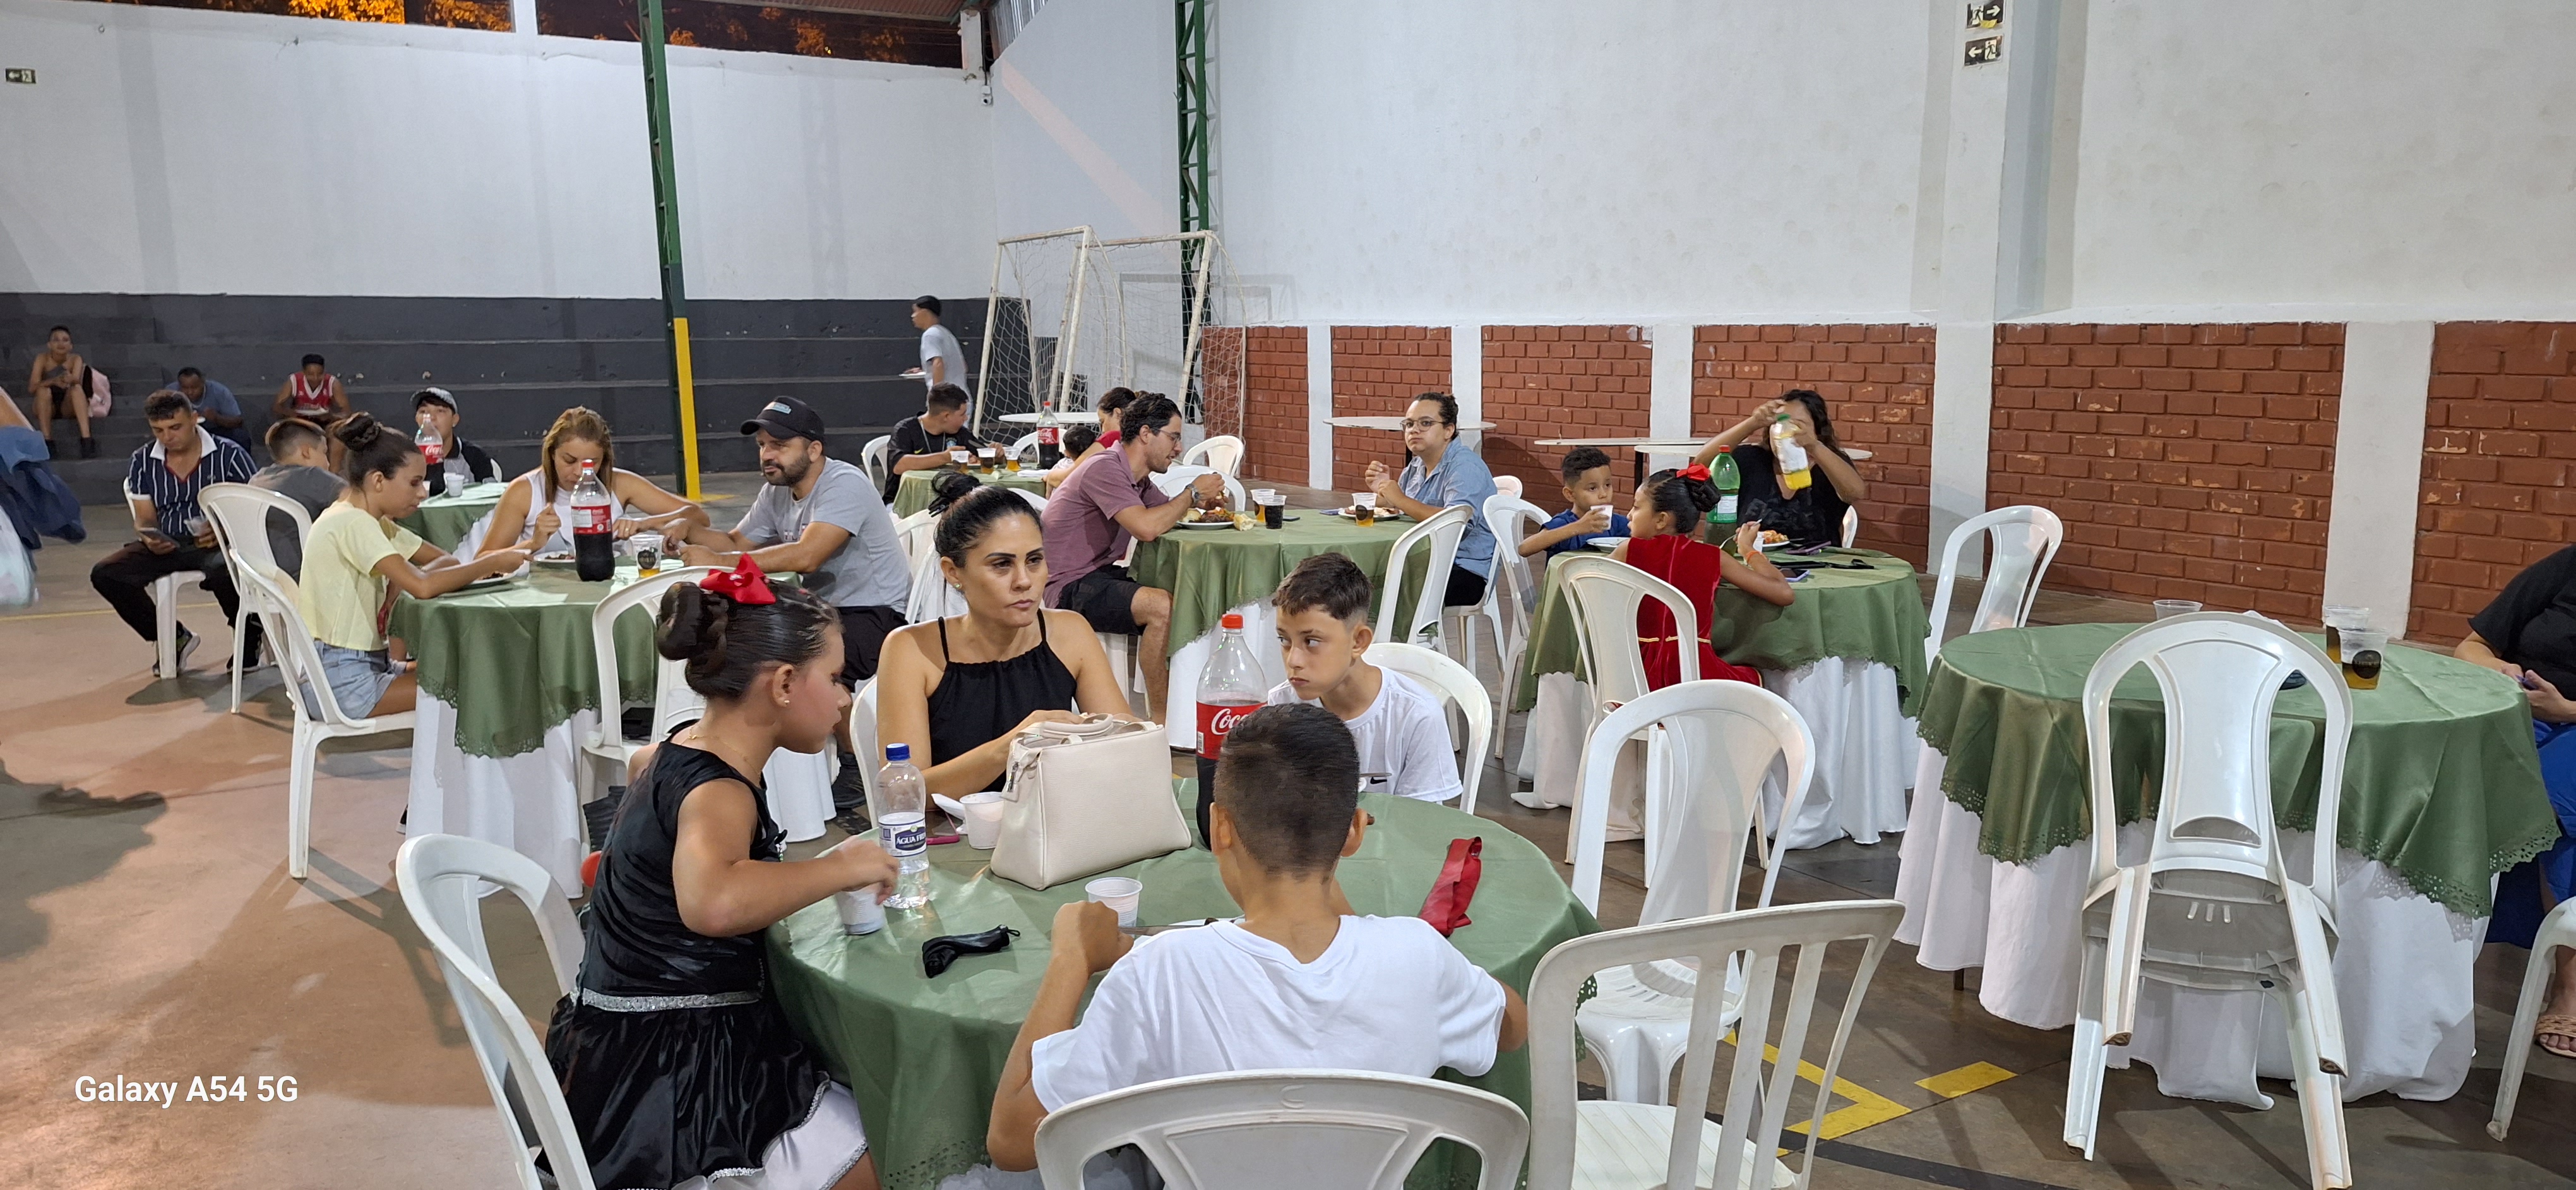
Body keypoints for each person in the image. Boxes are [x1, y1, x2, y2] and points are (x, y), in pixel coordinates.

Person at [984, 704, 1530, 1173]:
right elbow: (1512, 1027)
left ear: (1220, 828)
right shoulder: (1418, 953)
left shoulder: (1159, 972)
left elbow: (1012, 1142)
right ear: (1354, 833)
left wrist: (1071, 958)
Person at [544, 565, 891, 1190]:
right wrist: (837, 868)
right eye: (836, 678)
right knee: (893, 1150)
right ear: (783, 683)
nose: (845, 699)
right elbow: (714, 904)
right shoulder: (719, 791)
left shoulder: (673, 747)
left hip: (612, 1042)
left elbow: (645, 792)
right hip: (677, 1069)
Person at [679, 397, 913, 824]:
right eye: (763, 445)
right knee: (754, 648)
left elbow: (808, 555)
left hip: (876, 611)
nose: (768, 455)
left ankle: (854, 764)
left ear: (814, 449)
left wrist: (719, 561)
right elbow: (735, 543)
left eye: (780, 445)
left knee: (808, 661)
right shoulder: (776, 491)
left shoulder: (844, 484)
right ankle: (770, 769)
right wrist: (688, 530)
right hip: (824, 609)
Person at [874, 486, 1133, 796]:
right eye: (1002, 564)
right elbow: (902, 791)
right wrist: (1014, 745)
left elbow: (1127, 746)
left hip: (1055, 817)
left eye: (1034, 560)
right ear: (953, 572)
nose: (1024, 581)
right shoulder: (912, 651)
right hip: (955, 824)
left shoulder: (1070, 632)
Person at [294, 416, 530, 719]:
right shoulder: (353, 523)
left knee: (468, 666)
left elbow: (446, 561)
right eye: (414, 483)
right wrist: (491, 562)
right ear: (378, 481)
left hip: (358, 667)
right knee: (481, 679)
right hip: (342, 682)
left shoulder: (370, 521)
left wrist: (400, 582)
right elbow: (424, 586)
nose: (423, 493)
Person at [2454, 551, 2576, 1059]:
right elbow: (2471, 647)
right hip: (2520, 716)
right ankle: (2426, 961)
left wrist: (2568, 709)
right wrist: (2500, 670)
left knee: (2554, 803)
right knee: (2449, 781)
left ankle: (2569, 988)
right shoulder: (2567, 567)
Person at [1039, 393, 1223, 714]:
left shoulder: (1138, 479)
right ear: (1146, 434)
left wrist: (1206, 504)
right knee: (1161, 607)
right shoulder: (1104, 468)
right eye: (1174, 437)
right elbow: (1147, 528)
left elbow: (1166, 514)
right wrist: (1192, 492)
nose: (1178, 448)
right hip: (1067, 585)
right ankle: (1164, 720)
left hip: (1098, 574)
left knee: (1186, 589)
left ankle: (1190, 703)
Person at [1267, 551, 1463, 805]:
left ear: (1359, 642)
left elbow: (1421, 821)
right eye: (1284, 640)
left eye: (1312, 642)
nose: (1293, 660)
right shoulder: (1281, 707)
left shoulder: (1417, 715)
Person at [90, 392, 259, 671]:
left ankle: (249, 634)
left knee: (226, 570)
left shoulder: (229, 455)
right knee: (106, 574)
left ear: (195, 419)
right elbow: (144, 518)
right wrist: (148, 536)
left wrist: (225, 531)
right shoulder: (143, 460)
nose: (167, 437)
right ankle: (171, 637)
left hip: (220, 543)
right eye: (158, 430)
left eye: (175, 427)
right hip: (169, 542)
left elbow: (252, 506)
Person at [1610, 466, 1793, 689]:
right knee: (1758, 677)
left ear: (1662, 520)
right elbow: (1784, 593)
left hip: (1632, 675)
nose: (1629, 515)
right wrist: (1748, 549)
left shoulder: (1626, 550)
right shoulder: (1713, 556)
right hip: (1694, 674)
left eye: (1636, 507)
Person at [474, 407, 707, 559]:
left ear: (604, 459)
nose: (579, 472)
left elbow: (698, 517)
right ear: (552, 454)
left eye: (591, 463)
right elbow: (483, 559)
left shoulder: (619, 483)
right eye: (569, 461)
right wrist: (533, 543)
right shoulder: (526, 490)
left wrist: (645, 524)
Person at [1366, 392, 1503, 611]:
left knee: (1375, 589)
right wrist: (1385, 497)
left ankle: (1405, 634)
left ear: (1449, 430)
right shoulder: (1416, 466)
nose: (1414, 430)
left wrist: (1399, 498)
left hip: (1463, 570)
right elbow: (1407, 510)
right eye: (1409, 424)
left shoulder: (1465, 467)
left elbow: (1456, 524)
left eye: (1426, 423)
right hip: (1424, 559)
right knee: (1357, 578)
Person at [1691, 389, 1867, 550]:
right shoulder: (1752, 459)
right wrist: (1753, 423)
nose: (1787, 433)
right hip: (1752, 559)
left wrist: (1814, 446)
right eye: (1780, 424)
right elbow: (1700, 465)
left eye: (1798, 425)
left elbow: (1854, 493)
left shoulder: (1829, 464)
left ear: (1817, 431)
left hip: (1816, 562)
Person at [248, 417, 344, 579]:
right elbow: (362, 503)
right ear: (306, 452)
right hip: (306, 578)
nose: (327, 463)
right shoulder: (313, 476)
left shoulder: (256, 480)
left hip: (261, 578)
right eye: (324, 452)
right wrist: (337, 459)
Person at [1520, 445, 1632, 560]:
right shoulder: (1564, 522)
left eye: (1607, 485)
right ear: (1570, 494)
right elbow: (1524, 549)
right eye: (1593, 488)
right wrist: (1578, 527)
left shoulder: (1615, 523)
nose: (1603, 494)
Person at [881, 383, 985, 502]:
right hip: (903, 501)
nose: (965, 418)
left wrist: (997, 454)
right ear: (946, 416)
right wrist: (946, 457)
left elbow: (982, 453)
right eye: (962, 414)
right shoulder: (906, 430)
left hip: (947, 502)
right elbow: (899, 466)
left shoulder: (959, 432)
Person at [1040, 387, 1133, 494]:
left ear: (1117, 413)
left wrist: (1051, 476)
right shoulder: (1141, 437)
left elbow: (1070, 477)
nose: (1103, 430)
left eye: (1103, 421)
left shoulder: (1113, 438)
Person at [411, 387, 497, 496]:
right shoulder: (404, 458)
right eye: (423, 411)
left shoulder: (474, 456)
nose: (431, 417)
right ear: (417, 419)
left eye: (440, 411)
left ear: (454, 420)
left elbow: (492, 496)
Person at [27, 325, 96, 459]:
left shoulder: (75, 359)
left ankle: (87, 440)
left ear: (71, 346)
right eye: (56, 340)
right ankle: (47, 441)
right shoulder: (42, 359)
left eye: (65, 340)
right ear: (49, 345)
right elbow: (32, 388)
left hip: (67, 405)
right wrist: (53, 381)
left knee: (77, 389)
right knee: (43, 391)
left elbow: (76, 380)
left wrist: (69, 379)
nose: (61, 344)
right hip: (45, 404)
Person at [174, 368, 249, 451]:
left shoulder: (219, 391)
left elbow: (238, 421)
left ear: (203, 383)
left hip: (216, 429)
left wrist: (216, 418)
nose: (190, 392)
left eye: (194, 388)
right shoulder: (171, 393)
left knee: (241, 436)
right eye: (185, 388)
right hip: (184, 431)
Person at [271, 354, 349, 431]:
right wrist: (290, 414)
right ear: (303, 372)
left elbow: (347, 411)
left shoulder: (333, 383)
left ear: (324, 372)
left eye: (320, 374)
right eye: (311, 374)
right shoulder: (294, 381)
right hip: (298, 423)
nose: (315, 378)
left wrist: (333, 417)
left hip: (324, 423)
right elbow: (277, 407)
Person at [912, 294, 970, 394]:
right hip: (962, 396)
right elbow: (963, 367)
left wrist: (937, 396)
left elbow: (938, 364)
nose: (913, 316)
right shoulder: (947, 334)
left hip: (948, 399)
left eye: (915, 311)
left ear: (925, 312)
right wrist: (927, 373)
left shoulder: (930, 335)